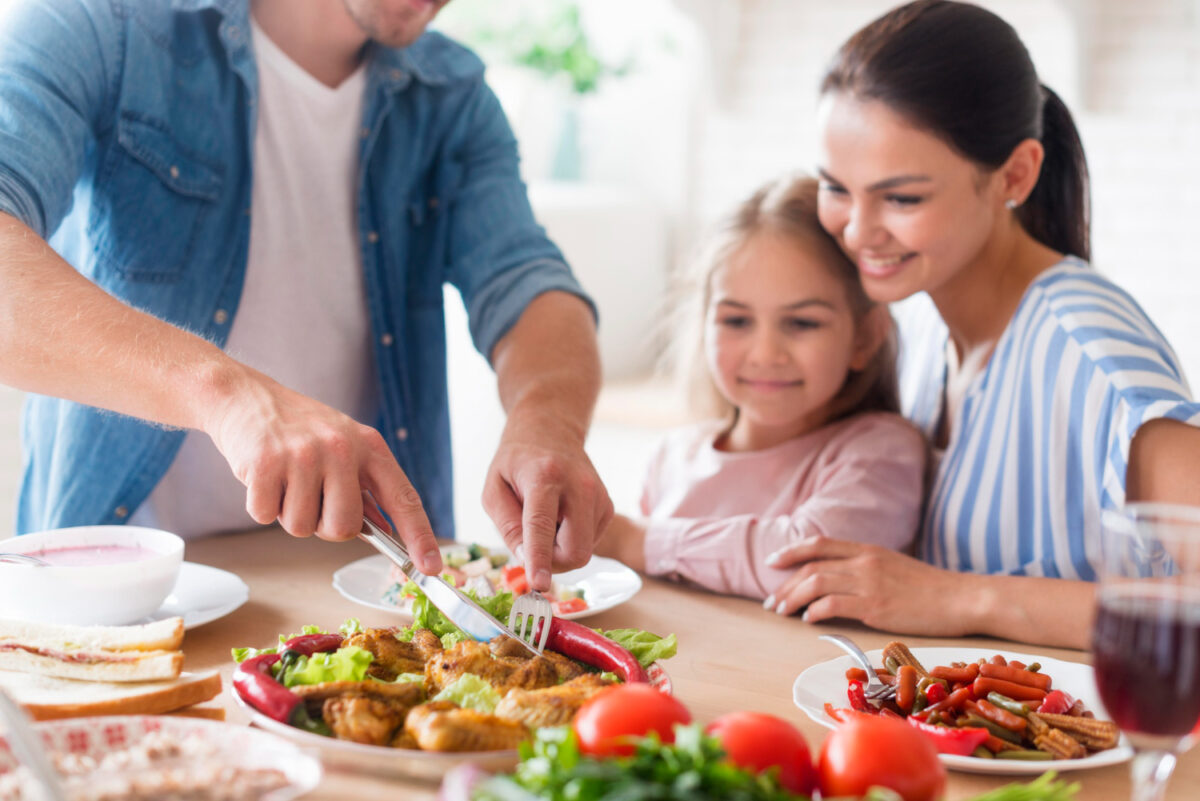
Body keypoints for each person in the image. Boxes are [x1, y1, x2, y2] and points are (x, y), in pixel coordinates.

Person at [0, 0, 613, 591]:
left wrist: (546, 419)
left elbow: (525, 278)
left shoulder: (453, 93)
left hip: (369, 588)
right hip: (120, 593)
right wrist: (230, 396)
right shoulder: (101, 24)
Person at [765, 0, 1200, 648]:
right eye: (836, 188)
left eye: (902, 197)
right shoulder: (925, 329)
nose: (856, 230)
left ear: (1015, 175)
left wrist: (962, 596)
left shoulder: (1096, 357)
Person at [594, 175, 926, 604]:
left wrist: (632, 540)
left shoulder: (881, 452)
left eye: (802, 323)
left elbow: (815, 567)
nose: (766, 353)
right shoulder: (673, 457)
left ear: (864, 338)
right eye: (736, 321)